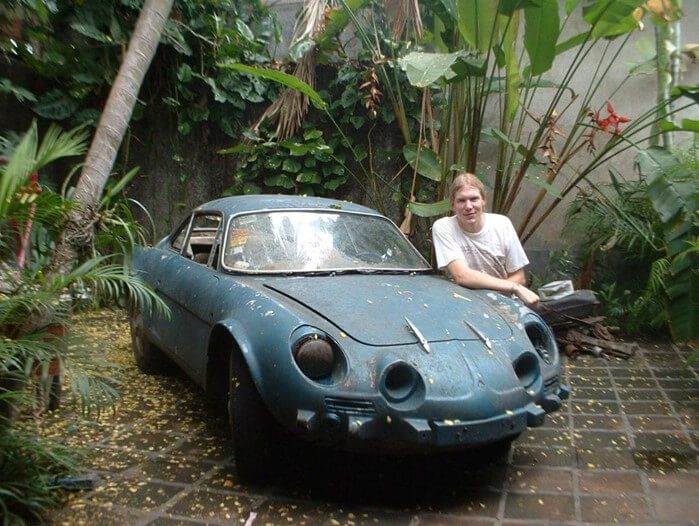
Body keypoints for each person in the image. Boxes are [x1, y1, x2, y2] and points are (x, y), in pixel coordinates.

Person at [432, 173, 540, 307]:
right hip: (462, 302)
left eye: (474, 199)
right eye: (461, 200)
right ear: (452, 204)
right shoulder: (444, 227)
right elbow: (462, 275)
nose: (468, 206)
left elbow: (519, 277)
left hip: (502, 303)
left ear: (483, 200)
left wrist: (492, 297)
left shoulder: (502, 224)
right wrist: (514, 287)